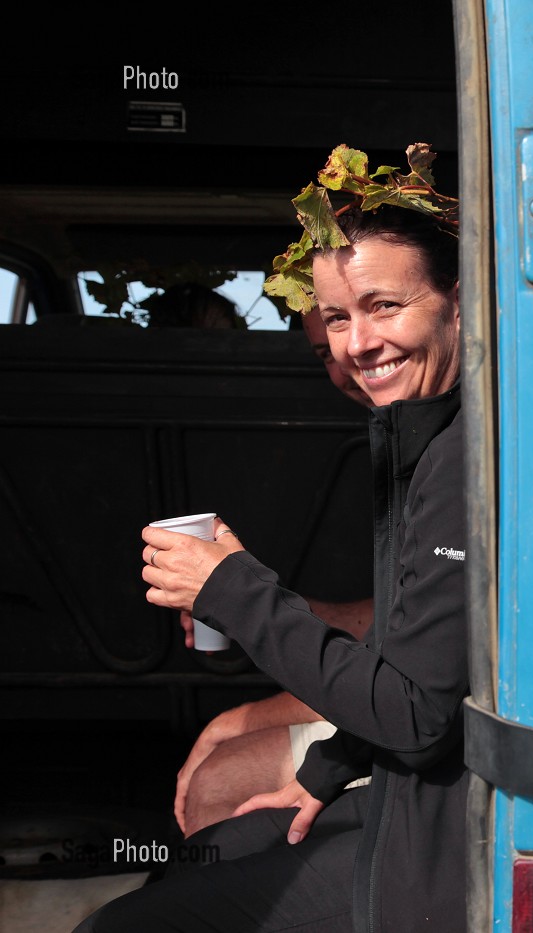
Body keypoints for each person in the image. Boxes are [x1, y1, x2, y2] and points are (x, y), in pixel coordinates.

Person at [77, 203, 469, 931]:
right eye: (338, 319)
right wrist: (322, 773)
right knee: (213, 851)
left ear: (459, 301)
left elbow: (416, 713)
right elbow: (414, 653)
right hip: (403, 793)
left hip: (444, 841)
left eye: (383, 306)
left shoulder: (465, 456)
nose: (359, 343)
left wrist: (232, 589)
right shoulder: (421, 440)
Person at [176, 311, 374, 838]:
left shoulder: (449, 453)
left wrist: (234, 720)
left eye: (380, 310)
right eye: (325, 352)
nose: (350, 359)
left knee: (219, 781)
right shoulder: (394, 440)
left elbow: (402, 671)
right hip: (398, 705)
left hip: (439, 728)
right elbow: (389, 624)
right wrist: (254, 607)